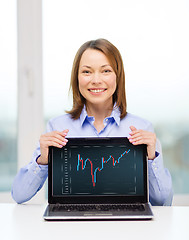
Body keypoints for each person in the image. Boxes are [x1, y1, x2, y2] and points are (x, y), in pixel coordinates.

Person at [12, 38, 173, 205]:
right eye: (87, 72)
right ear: (77, 78)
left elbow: (162, 200)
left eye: (106, 71)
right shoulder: (57, 127)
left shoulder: (142, 128)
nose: (96, 80)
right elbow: (19, 195)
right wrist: (43, 160)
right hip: (72, 226)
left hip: (125, 226)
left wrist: (152, 157)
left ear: (118, 76)